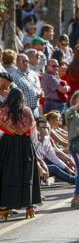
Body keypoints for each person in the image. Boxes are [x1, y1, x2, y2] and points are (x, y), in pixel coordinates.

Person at [0, 88, 39, 219]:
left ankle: (5, 207)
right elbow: (33, 133)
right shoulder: (27, 111)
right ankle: (29, 206)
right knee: (26, 174)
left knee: (7, 175)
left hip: (7, 146)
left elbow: (0, 132)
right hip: (25, 145)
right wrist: (34, 147)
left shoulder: (3, 111)